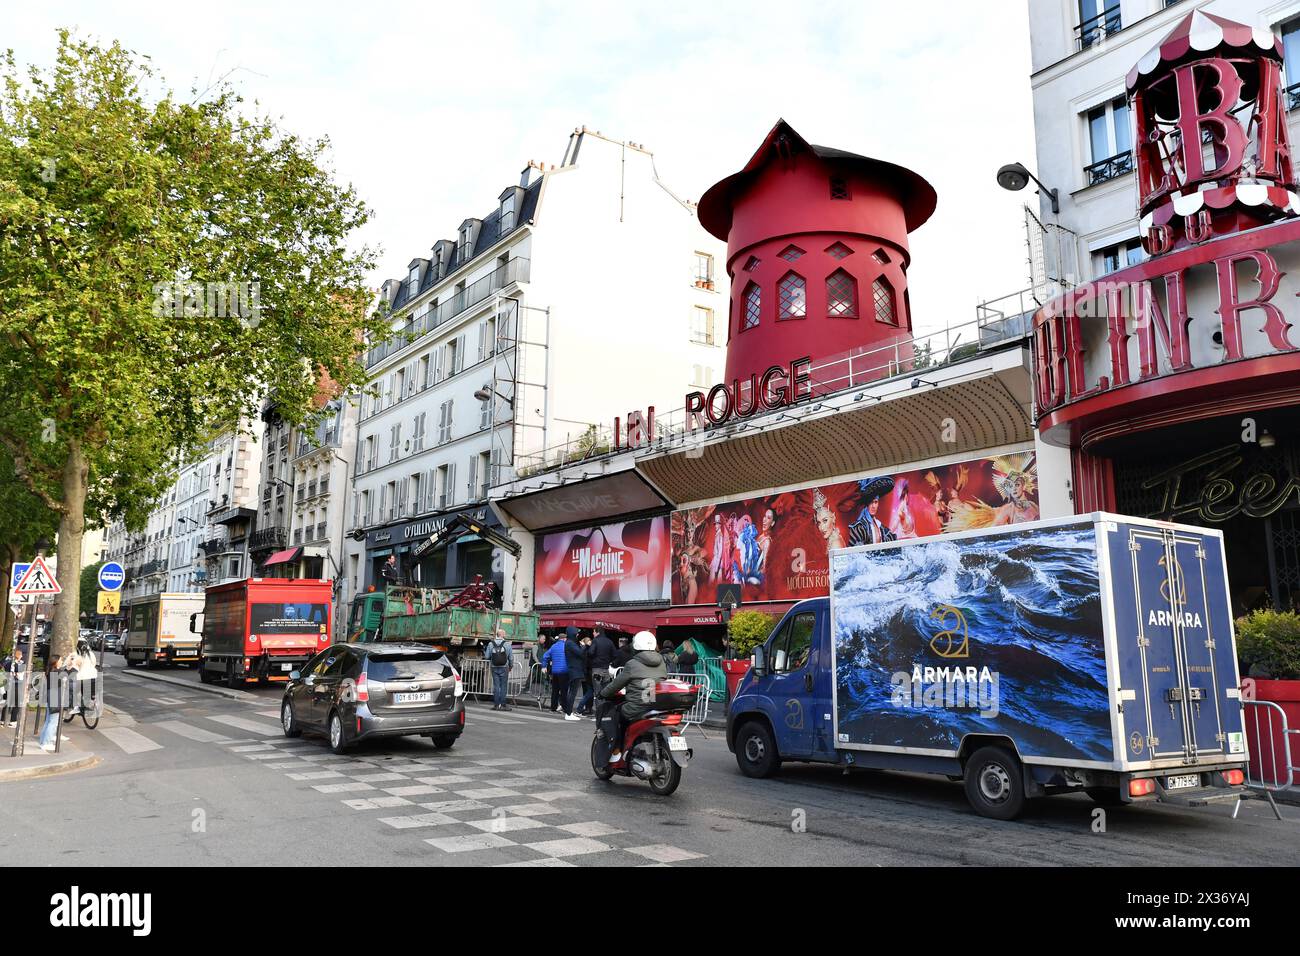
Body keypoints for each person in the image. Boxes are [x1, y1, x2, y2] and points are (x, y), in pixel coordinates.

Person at [597, 631, 668, 764]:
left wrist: (603, 693)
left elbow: (616, 684)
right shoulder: (661, 661)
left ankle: (617, 750)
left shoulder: (632, 664)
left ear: (636, 646)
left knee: (616, 715)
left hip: (638, 706)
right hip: (656, 704)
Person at [541, 628, 573, 718]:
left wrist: (544, 666)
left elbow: (545, 656)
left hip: (555, 672)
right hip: (564, 671)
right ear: (564, 639)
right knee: (564, 691)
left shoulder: (553, 646)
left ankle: (553, 708)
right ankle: (565, 708)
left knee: (555, 691)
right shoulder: (567, 646)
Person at [563, 628, 589, 719]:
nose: (577, 635)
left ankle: (569, 712)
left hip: (574, 670)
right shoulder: (570, 643)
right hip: (574, 670)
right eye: (576, 634)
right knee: (572, 693)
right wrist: (585, 645)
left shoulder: (570, 642)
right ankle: (568, 713)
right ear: (572, 634)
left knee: (572, 692)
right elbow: (580, 653)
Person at [486, 627, 513, 711]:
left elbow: (487, 656)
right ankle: (503, 705)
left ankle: (496, 705)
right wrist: (511, 666)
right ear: (503, 635)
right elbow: (511, 658)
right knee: (503, 686)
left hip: (494, 667)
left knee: (496, 686)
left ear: (497, 635)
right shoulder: (507, 644)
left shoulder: (491, 644)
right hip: (504, 667)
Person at [587, 626, 616, 706]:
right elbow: (615, 654)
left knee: (598, 692)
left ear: (598, 632)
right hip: (606, 670)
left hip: (597, 670)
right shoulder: (609, 641)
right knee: (605, 692)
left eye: (594, 632)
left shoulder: (595, 641)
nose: (593, 633)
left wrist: (588, 647)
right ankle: (605, 712)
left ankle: (599, 713)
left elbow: (591, 653)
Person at [2, 647, 26, 727]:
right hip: (16, 685)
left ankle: (2, 719)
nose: (22, 657)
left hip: (8, 685)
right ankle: (13, 721)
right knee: (16, 703)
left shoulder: (8, 663)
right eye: (21, 655)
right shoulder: (17, 664)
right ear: (18, 656)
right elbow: (20, 674)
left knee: (7, 702)